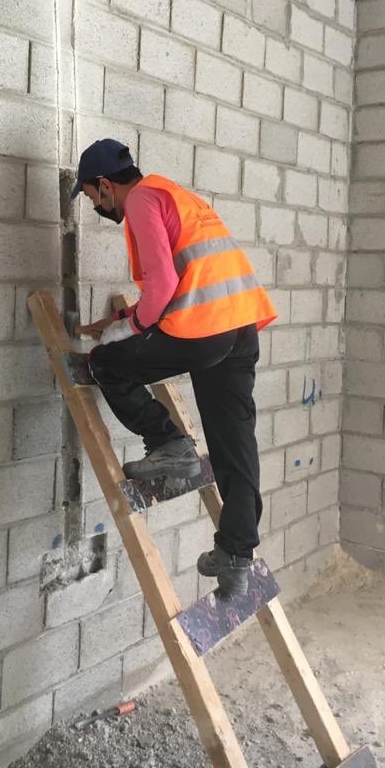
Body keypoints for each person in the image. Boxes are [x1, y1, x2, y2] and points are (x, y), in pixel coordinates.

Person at [71, 138, 277, 594]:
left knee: (106, 363)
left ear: (105, 185)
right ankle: (237, 555)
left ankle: (168, 443)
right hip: (239, 326)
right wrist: (125, 317)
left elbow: (163, 285)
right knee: (234, 443)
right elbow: (186, 278)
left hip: (205, 328)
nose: (96, 207)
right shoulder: (174, 194)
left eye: (91, 197)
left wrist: (123, 332)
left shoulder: (141, 200)